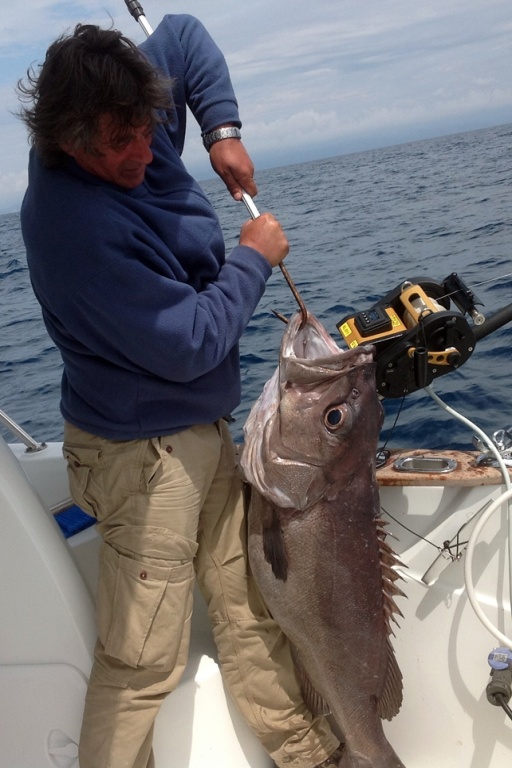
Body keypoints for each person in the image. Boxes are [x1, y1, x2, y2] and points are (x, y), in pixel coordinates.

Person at [18, 14, 343, 768]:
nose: (142, 153)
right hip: (141, 461)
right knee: (141, 666)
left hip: (205, 435)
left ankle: (311, 755)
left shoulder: (132, 109)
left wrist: (221, 130)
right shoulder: (73, 225)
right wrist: (254, 257)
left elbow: (188, 36)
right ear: (68, 142)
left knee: (251, 614)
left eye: (146, 130)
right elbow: (193, 340)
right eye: (117, 145)